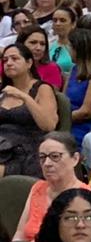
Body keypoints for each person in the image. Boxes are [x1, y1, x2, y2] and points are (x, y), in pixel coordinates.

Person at [0, 41, 59, 178]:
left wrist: (25, 97)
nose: (8, 63)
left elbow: (48, 125)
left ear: (29, 63)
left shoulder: (42, 89)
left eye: (15, 59)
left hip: (26, 150)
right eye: (5, 60)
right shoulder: (3, 91)